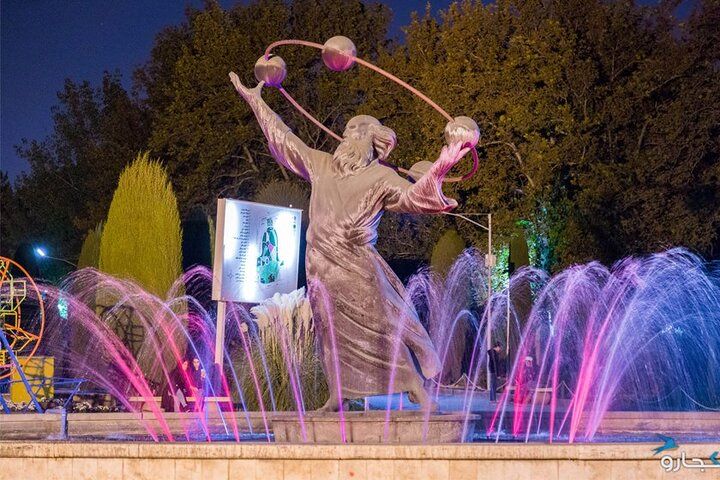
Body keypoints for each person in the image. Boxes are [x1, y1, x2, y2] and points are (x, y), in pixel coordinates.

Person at [230, 72, 478, 411]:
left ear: (367, 137)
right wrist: (256, 101)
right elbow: (285, 141)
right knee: (330, 332)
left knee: (381, 327)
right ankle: (338, 395)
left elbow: (412, 198)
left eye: (352, 130)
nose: (345, 136)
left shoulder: (382, 177)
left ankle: (416, 389)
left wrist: (441, 166)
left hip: (357, 266)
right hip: (320, 265)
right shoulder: (321, 165)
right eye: (345, 131)